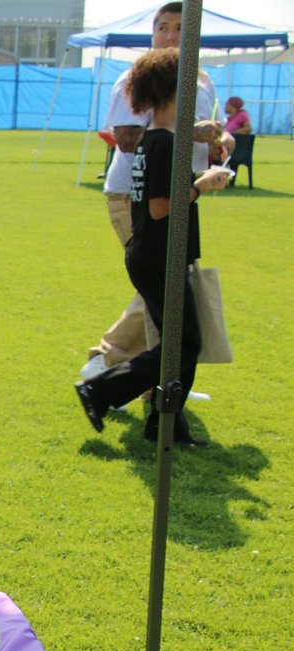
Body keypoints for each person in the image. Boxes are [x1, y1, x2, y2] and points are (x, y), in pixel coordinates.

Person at [75, 48, 234, 446]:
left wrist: (199, 178)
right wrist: (203, 185)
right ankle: (100, 390)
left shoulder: (154, 140)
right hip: (158, 255)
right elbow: (162, 207)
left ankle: (166, 427)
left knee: (179, 343)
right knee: (184, 345)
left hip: (153, 253)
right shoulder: (164, 143)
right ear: (173, 93)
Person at [84, 2, 221, 375]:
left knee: (168, 286)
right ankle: (107, 363)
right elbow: (127, 138)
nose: (171, 36)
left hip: (181, 191)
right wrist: (193, 132)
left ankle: (155, 381)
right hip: (136, 195)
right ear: (152, 33)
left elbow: (207, 132)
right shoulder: (137, 78)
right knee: (161, 285)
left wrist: (219, 142)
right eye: (163, 27)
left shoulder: (202, 81)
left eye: (180, 28)